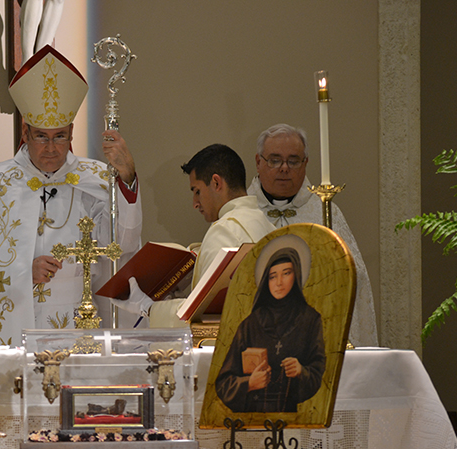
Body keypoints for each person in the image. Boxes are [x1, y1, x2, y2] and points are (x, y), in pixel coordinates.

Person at [0, 45, 142, 347]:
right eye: (41, 137)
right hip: (18, 321)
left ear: (71, 132)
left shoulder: (96, 178)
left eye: (60, 136)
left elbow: (120, 247)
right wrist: (22, 270)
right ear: (25, 133)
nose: (51, 148)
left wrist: (125, 178)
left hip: (81, 322)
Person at [112, 144, 275, 327]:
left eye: (197, 191)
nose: (195, 203)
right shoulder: (267, 226)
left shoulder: (225, 231)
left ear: (216, 183)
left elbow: (207, 314)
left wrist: (148, 307)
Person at [247, 123, 378, 347]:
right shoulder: (244, 213)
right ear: (259, 162)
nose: (284, 168)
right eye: (275, 160)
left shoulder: (324, 212)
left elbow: (355, 275)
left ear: (305, 163)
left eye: (294, 160)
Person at [215, 235, 326, 413]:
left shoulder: (310, 320)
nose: (279, 283)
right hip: (252, 415)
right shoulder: (250, 324)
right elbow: (223, 383)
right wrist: (249, 383)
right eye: (273, 276)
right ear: (266, 280)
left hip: (292, 418)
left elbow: (320, 375)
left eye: (286, 273)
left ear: (296, 275)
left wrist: (301, 371)